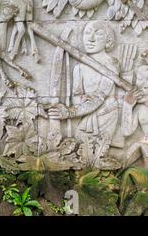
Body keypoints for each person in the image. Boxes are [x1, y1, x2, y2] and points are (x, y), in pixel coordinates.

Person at [47, 21, 120, 164]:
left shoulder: (111, 64)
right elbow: (76, 97)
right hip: (86, 114)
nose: (90, 38)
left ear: (108, 41)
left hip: (105, 114)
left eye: (97, 34)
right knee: (81, 141)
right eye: (87, 33)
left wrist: (69, 113)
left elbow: (99, 97)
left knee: (96, 150)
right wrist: (77, 103)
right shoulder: (79, 67)